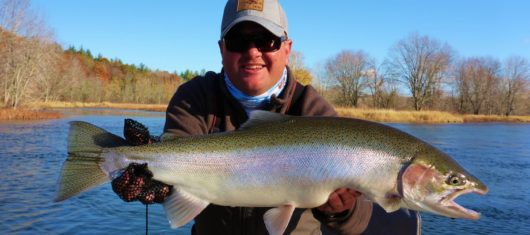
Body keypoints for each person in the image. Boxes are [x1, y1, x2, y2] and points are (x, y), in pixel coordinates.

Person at [113, 0, 420, 234]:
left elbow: (356, 225)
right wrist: (155, 176)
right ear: (222, 49)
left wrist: (340, 212)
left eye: (266, 40)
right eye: (238, 41)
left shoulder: (315, 112)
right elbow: (176, 148)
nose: (252, 52)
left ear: (287, 49)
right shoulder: (196, 97)